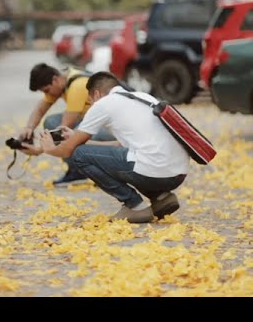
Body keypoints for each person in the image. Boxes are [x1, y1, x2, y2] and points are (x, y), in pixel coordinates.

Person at [21, 71, 188, 223]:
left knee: (78, 154)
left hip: (155, 170)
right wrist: (80, 139)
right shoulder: (142, 97)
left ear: (96, 93)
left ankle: (135, 206)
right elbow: (118, 145)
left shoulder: (103, 104)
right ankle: (160, 197)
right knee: (122, 157)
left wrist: (49, 149)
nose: (90, 105)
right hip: (178, 172)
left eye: (90, 100)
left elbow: (68, 151)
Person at [20, 63, 114, 186]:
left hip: (111, 128)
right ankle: (77, 171)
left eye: (47, 90)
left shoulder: (77, 86)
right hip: (93, 121)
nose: (47, 95)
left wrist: (39, 150)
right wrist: (29, 128)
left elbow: (63, 131)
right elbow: (40, 109)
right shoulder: (64, 77)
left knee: (75, 136)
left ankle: (103, 172)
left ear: (55, 79)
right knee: (51, 122)